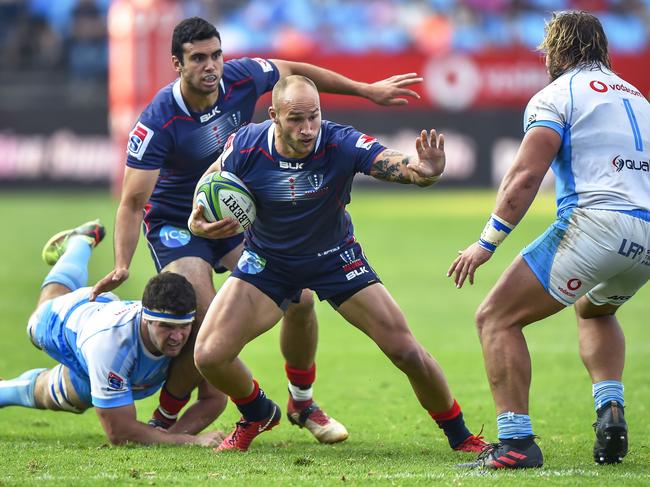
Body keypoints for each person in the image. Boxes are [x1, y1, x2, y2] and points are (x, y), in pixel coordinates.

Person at [91, 16, 424, 443]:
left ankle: (302, 402)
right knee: (206, 312)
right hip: (181, 224)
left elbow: (298, 74)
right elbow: (134, 201)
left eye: (216, 55)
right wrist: (121, 263)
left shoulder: (242, 77)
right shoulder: (158, 120)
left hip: (242, 213)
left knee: (301, 299)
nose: (210, 66)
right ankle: (213, 411)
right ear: (177, 63)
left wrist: (365, 90)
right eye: (197, 59)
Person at [187, 75, 487, 453]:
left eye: (313, 116)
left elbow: (394, 163)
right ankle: (258, 411)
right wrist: (195, 221)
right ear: (274, 116)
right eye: (296, 119)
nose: (308, 128)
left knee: (405, 350)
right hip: (269, 262)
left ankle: (461, 436)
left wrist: (424, 171)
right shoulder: (246, 144)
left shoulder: (338, 141)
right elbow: (209, 180)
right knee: (209, 356)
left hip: (335, 259)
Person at [448, 11, 649, 469]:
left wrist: (486, 243)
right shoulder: (638, 98)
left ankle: (516, 442)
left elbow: (524, 176)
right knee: (595, 309)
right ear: (602, 48)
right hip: (646, 237)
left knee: (496, 318)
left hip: (596, 224)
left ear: (556, 50)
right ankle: (610, 408)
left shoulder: (556, 95)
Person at [0, 220, 225, 447]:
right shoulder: (110, 346)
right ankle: (80, 241)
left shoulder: (196, 330)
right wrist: (187, 441)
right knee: (41, 315)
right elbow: (119, 432)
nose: (177, 336)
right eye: (166, 327)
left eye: (182, 326)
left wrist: (170, 435)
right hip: (71, 319)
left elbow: (215, 397)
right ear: (146, 319)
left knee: (70, 397)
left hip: (106, 323)